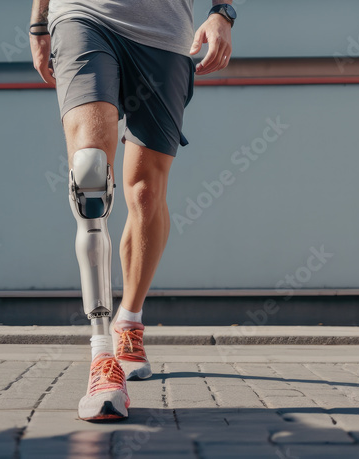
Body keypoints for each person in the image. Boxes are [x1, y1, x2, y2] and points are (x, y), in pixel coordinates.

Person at [28, 0, 237, 421]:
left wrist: (221, 13)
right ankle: (102, 356)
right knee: (89, 173)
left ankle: (130, 322)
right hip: (84, 16)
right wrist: (38, 25)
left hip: (164, 35)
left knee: (145, 192)